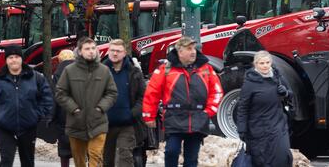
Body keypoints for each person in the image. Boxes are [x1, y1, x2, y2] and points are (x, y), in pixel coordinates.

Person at [142, 37, 223, 167]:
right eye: (189, 49)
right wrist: (149, 116)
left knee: (191, 158)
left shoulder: (206, 68)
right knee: (171, 151)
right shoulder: (166, 69)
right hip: (174, 118)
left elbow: (217, 92)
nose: (193, 52)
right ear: (180, 52)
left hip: (198, 118)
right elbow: (152, 93)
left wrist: (209, 111)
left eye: (194, 49)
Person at [0, 45, 54, 167]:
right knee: (6, 161)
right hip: (5, 128)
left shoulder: (36, 77)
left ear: (21, 59)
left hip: (28, 127)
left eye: (16, 57)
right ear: (6, 60)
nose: (14, 60)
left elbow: (47, 97)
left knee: (28, 162)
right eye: (10, 57)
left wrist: (37, 115)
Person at [56, 37, 119, 167]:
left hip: (98, 123)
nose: (91, 51)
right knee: (79, 160)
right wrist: (74, 108)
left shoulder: (104, 70)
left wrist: (101, 108)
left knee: (95, 156)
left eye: (93, 48)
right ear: (79, 51)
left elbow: (112, 93)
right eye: (87, 49)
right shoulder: (69, 71)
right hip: (76, 123)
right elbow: (61, 93)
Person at [235, 51, 293, 167]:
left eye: (267, 62)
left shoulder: (277, 77)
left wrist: (285, 93)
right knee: (263, 160)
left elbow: (291, 95)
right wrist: (242, 129)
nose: (265, 65)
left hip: (278, 124)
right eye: (262, 63)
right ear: (255, 64)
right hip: (258, 128)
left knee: (283, 156)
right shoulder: (250, 83)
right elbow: (243, 107)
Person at [102, 39, 146, 167]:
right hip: (106, 124)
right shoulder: (101, 72)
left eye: (118, 51)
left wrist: (132, 113)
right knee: (107, 160)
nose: (115, 54)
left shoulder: (134, 72)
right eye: (112, 50)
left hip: (128, 124)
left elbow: (142, 96)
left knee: (124, 157)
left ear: (124, 53)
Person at [53, 49, 76, 167]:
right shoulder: (79, 70)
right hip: (78, 114)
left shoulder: (57, 73)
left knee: (64, 151)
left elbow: (56, 97)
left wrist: (52, 117)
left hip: (63, 115)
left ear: (59, 59)